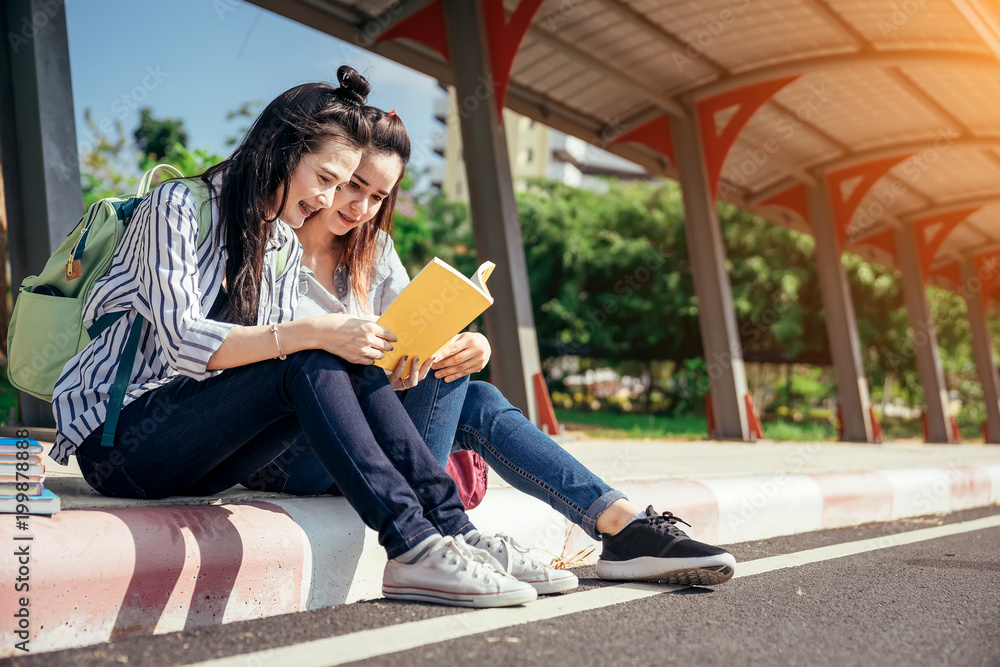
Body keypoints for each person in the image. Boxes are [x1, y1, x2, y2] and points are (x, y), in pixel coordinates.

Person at [50, 67, 547, 609]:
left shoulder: (278, 240)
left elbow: (296, 361)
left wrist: (346, 340)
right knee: (314, 347)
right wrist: (316, 331)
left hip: (208, 454)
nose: (332, 199)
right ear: (281, 150)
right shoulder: (176, 208)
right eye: (328, 178)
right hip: (121, 444)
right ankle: (414, 545)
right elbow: (183, 343)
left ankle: (452, 531)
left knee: (335, 348)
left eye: (343, 184)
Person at [245, 106, 738, 587]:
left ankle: (622, 525)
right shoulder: (268, 242)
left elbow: (413, 332)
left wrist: (467, 344)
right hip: (290, 451)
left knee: (468, 383)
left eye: (378, 196)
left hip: (373, 436)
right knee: (462, 392)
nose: (360, 208)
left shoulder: (373, 250)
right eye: (354, 185)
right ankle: (453, 530)